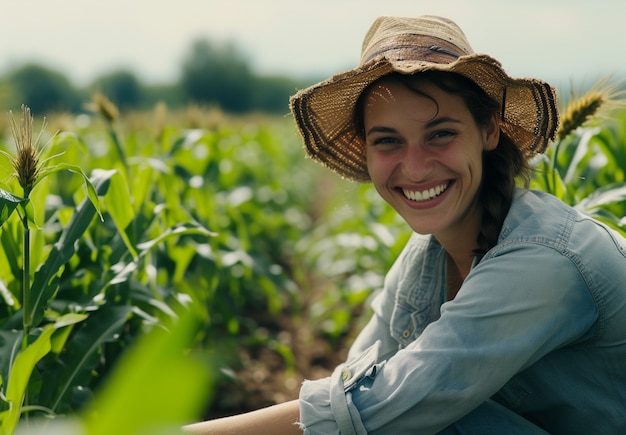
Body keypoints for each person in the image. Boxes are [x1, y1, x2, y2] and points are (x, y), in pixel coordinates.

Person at [184, 15, 626, 434]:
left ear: (489, 129)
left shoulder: (545, 261)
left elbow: (379, 409)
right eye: (388, 141)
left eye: (440, 134)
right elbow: (355, 380)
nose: (414, 169)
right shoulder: (426, 260)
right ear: (366, 148)